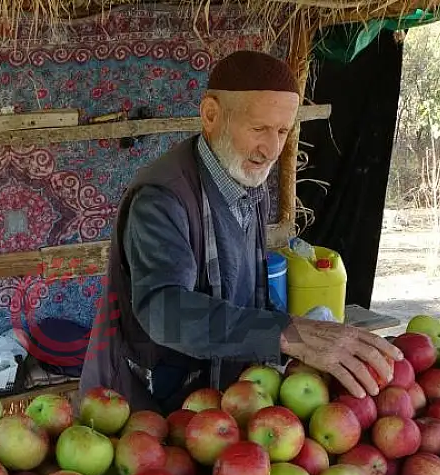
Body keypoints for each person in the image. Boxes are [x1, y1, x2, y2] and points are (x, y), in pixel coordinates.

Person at [79, 50, 401, 414]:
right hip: (148, 410)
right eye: (259, 128)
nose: (271, 149)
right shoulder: (161, 198)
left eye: (282, 131)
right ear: (211, 115)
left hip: (223, 406)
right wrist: (286, 333)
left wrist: (304, 330)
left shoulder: (246, 180)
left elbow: (246, 289)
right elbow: (165, 311)